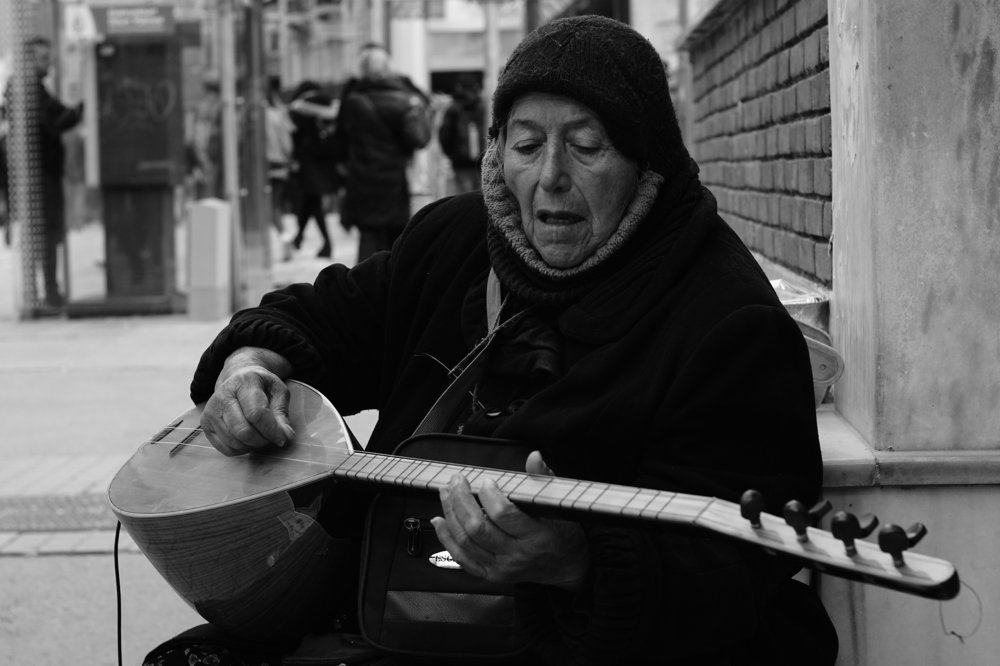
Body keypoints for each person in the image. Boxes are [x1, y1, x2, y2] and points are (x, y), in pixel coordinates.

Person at [148, 16, 837, 665]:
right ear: (497, 151)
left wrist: (573, 561)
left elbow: (732, 574)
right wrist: (248, 366)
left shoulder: (726, 317)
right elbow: (319, 318)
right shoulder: (450, 242)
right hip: (392, 616)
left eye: (588, 146)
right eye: (528, 144)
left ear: (646, 160)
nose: (551, 177)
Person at [2, 36, 83, 307]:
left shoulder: (27, 88)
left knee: (45, 234)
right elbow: (55, 121)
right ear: (27, 60)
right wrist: (80, 108)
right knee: (48, 233)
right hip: (41, 176)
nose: (47, 63)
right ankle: (48, 291)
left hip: (39, 174)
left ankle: (44, 290)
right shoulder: (28, 90)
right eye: (42, 58)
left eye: (48, 57)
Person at [331, 43, 430, 261]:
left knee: (368, 235)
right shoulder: (404, 97)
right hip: (395, 177)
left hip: (363, 177)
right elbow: (418, 138)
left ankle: (365, 288)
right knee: (397, 235)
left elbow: (340, 140)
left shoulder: (353, 99)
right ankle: (395, 285)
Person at [288, 80, 337, 258]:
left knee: (312, 203)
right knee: (310, 202)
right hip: (324, 162)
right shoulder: (327, 105)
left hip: (308, 162)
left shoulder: (300, 108)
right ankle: (300, 238)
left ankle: (326, 243)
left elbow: (295, 133)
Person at [438, 73, 486, 194]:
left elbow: (444, 136)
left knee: (466, 198)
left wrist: (452, 155)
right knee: (481, 198)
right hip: (479, 161)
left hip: (462, 163)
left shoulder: (454, 108)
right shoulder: (482, 106)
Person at [264, 77, 295, 262]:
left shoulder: (259, 116)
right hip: (279, 166)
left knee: (271, 210)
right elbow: (288, 145)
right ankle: (286, 242)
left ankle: (286, 241)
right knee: (275, 208)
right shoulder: (278, 115)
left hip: (266, 167)